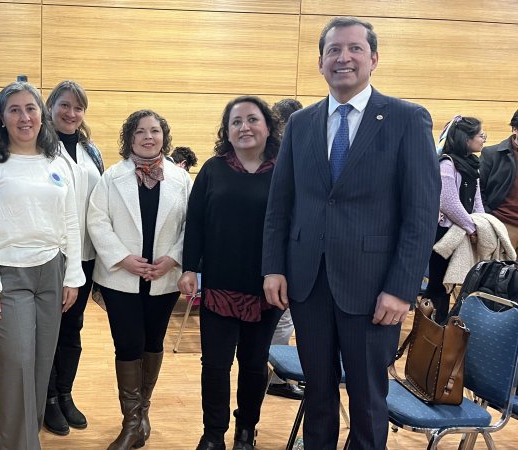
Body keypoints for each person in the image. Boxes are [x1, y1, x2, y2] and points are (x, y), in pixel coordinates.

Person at [261, 17, 440, 450]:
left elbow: (421, 214)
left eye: (355, 49)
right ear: (320, 63)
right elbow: (280, 205)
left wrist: (401, 289)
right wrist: (274, 268)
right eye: (333, 50)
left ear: (374, 59)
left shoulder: (406, 119)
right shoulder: (300, 125)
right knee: (317, 395)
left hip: (374, 289)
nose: (344, 57)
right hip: (307, 283)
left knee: (367, 399)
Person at [0, 81, 85, 450]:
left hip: (52, 271)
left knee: (40, 365)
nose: (24, 116)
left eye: (30, 108)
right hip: (5, 275)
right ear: (2, 118)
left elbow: (70, 222)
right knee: (15, 365)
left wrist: (74, 274)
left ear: (41, 115)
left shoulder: (56, 161)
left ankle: (24, 437)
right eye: (14, 109)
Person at [178, 96, 284, 450]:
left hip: (266, 287)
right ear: (227, 130)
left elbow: (292, 226)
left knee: (254, 365)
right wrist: (190, 267)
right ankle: (213, 434)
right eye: (236, 121)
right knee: (215, 365)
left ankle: (245, 431)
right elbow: (195, 224)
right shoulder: (213, 168)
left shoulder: (285, 169)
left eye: (252, 119)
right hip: (220, 284)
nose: (244, 127)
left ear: (268, 126)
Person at [88, 110, 191, 450]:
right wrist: (122, 258)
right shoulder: (111, 177)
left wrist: (173, 257)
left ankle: (142, 413)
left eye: (155, 131)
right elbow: (97, 222)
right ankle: (131, 422)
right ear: (129, 139)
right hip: (121, 279)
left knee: (153, 343)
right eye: (141, 132)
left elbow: (193, 225)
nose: (149, 137)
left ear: (164, 137)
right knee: (128, 344)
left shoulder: (181, 179)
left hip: (163, 278)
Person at [42, 80, 105, 436]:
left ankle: (65, 394)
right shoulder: (39, 148)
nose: (71, 113)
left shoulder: (90, 150)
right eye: (64, 105)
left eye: (78, 107)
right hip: (52, 256)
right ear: (51, 107)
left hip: (86, 255)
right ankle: (48, 399)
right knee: (49, 329)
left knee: (73, 328)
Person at [424, 116, 486, 323]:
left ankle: (443, 327)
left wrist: (481, 225)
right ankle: (430, 327)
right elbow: (447, 202)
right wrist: (471, 227)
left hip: (463, 232)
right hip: (443, 234)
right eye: (479, 134)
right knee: (437, 285)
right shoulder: (447, 164)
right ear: (465, 139)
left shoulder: (471, 164)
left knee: (451, 284)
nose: (483, 138)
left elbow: (477, 201)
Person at [267, 97, 305, 401]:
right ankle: (276, 375)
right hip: (285, 252)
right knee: (282, 317)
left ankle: (273, 373)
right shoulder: (289, 157)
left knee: (281, 317)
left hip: (280, 250)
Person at [479, 109, 518, 248]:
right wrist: (488, 217)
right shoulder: (492, 154)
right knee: (500, 269)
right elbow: (479, 188)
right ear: (514, 129)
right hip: (502, 223)